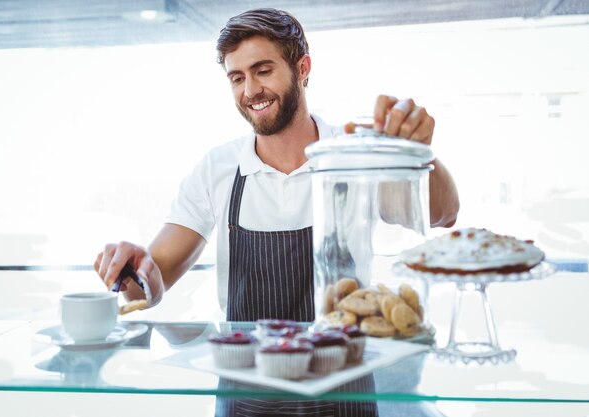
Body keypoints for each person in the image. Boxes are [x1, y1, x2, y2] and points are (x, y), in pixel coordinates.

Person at [95, 8, 459, 416]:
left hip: (344, 390)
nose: (250, 89)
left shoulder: (351, 153)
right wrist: (133, 267)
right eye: (237, 77)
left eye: (263, 70)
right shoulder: (218, 168)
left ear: (302, 68)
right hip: (246, 393)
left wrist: (419, 152)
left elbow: (444, 214)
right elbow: (151, 281)